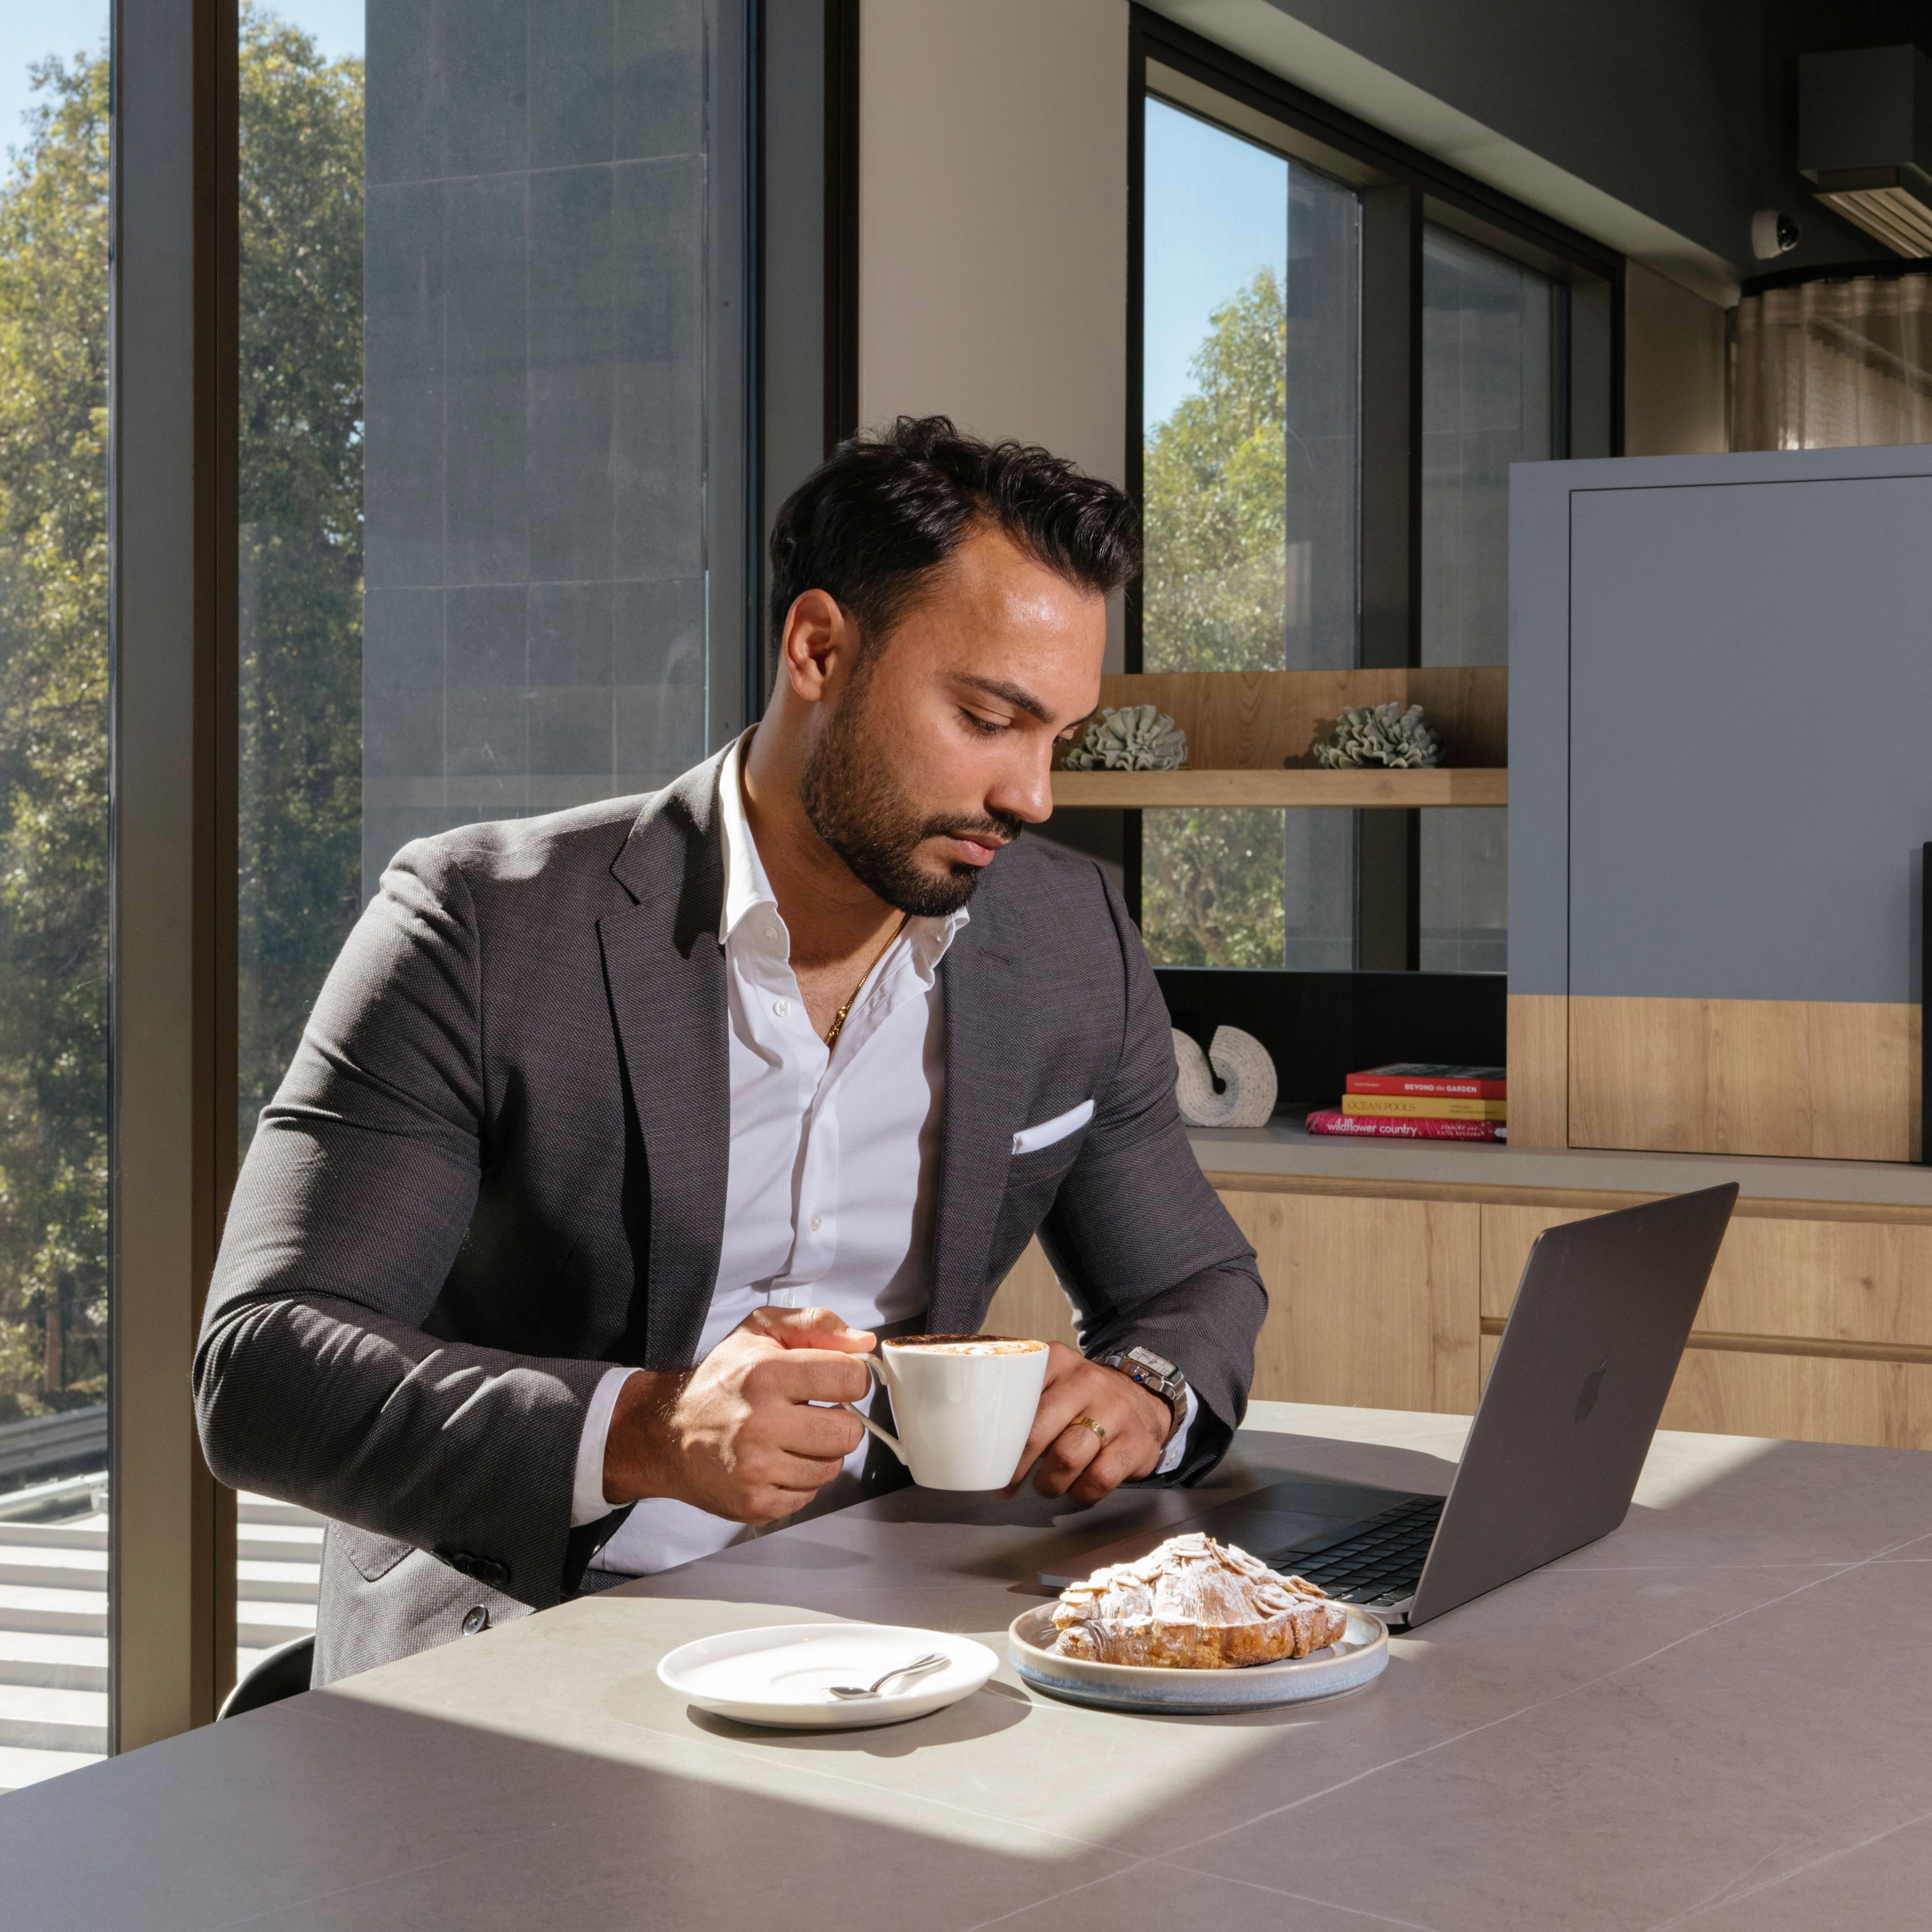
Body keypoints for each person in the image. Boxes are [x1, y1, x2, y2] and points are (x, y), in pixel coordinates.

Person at [195, 416, 1267, 1682]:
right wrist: (646, 1429)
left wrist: (1143, 1394)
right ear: (819, 648)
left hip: (903, 1634)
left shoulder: (1065, 936)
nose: (1033, 795)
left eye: (1059, 740)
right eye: (989, 718)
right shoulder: (480, 924)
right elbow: (263, 1363)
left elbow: (1194, 1285)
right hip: (532, 1643)